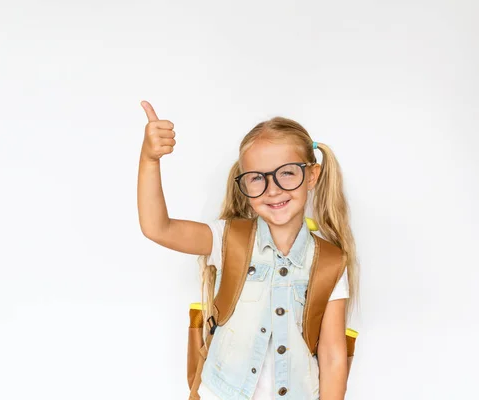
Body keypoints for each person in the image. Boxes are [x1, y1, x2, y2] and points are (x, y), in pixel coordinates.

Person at [137, 100, 359, 400]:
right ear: (244, 183)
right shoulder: (228, 239)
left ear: (312, 176)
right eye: (257, 177)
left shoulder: (331, 262)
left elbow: (332, 356)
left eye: (288, 173)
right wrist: (150, 160)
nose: (273, 188)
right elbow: (157, 228)